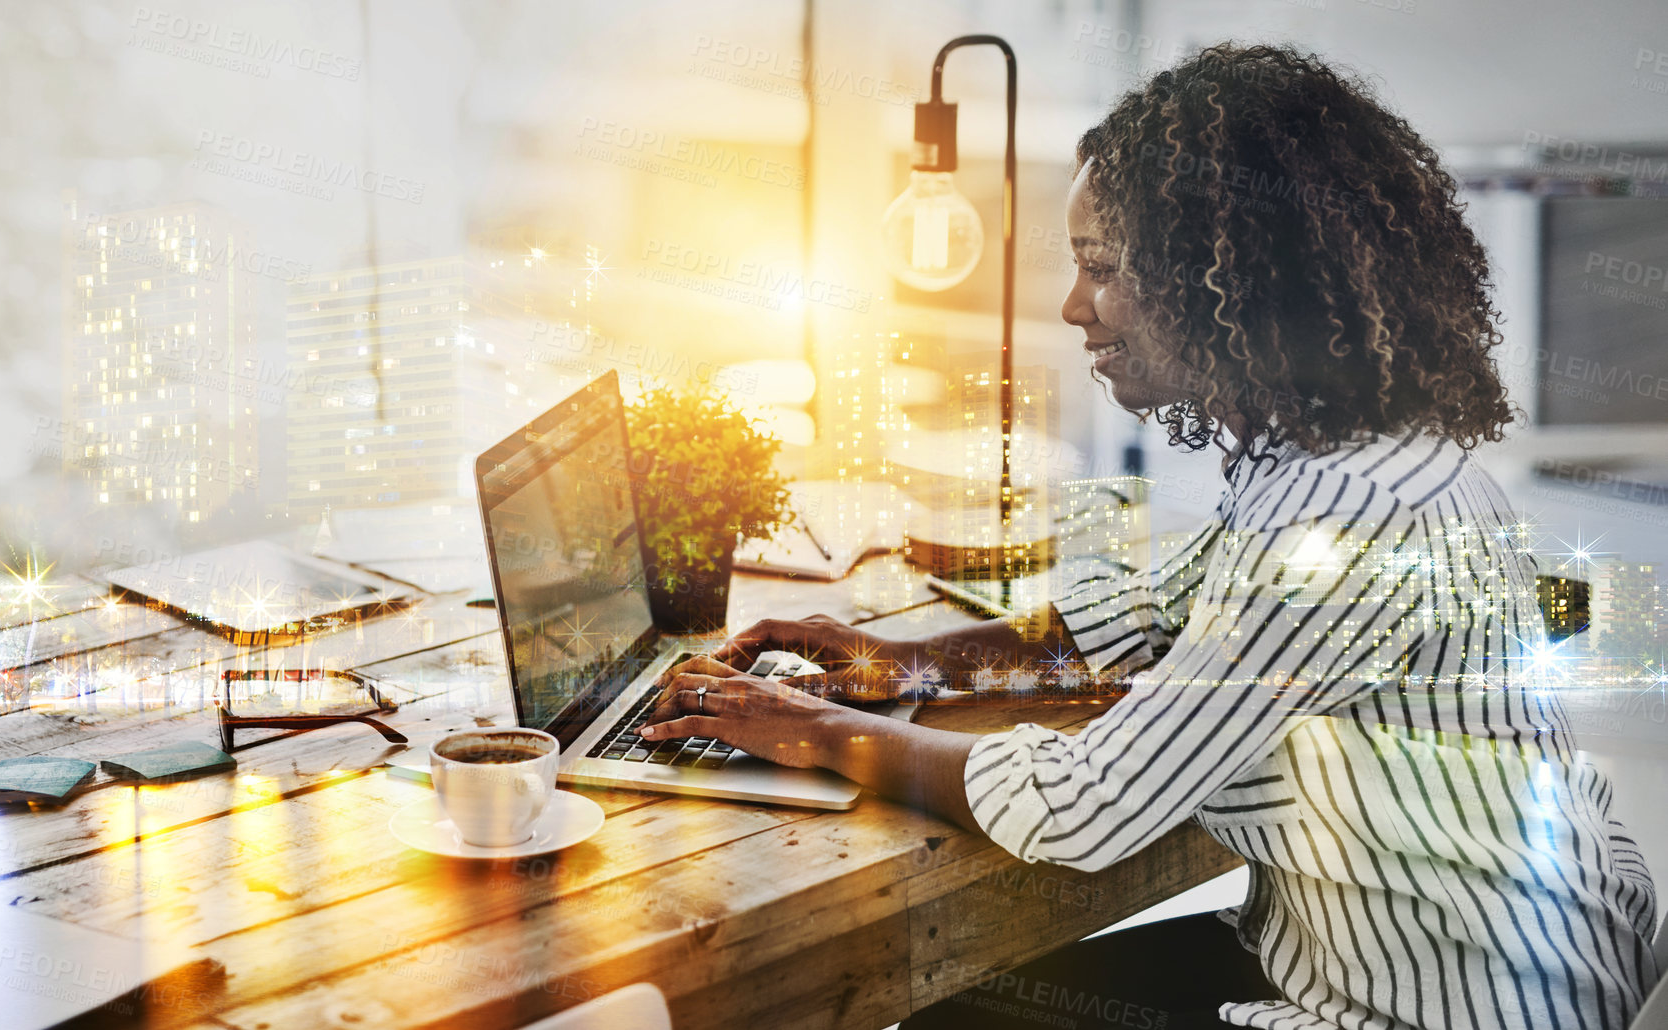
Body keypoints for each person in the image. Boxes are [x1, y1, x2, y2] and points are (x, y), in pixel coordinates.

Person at [642, 42, 1660, 1030]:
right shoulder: (1332, 456)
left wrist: (809, 731)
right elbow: (1141, 613)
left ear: (1232, 283)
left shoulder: (1345, 510)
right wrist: (900, 663)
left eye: (1101, 267)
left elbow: (1088, 805)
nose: (1070, 306)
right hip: (1427, 950)